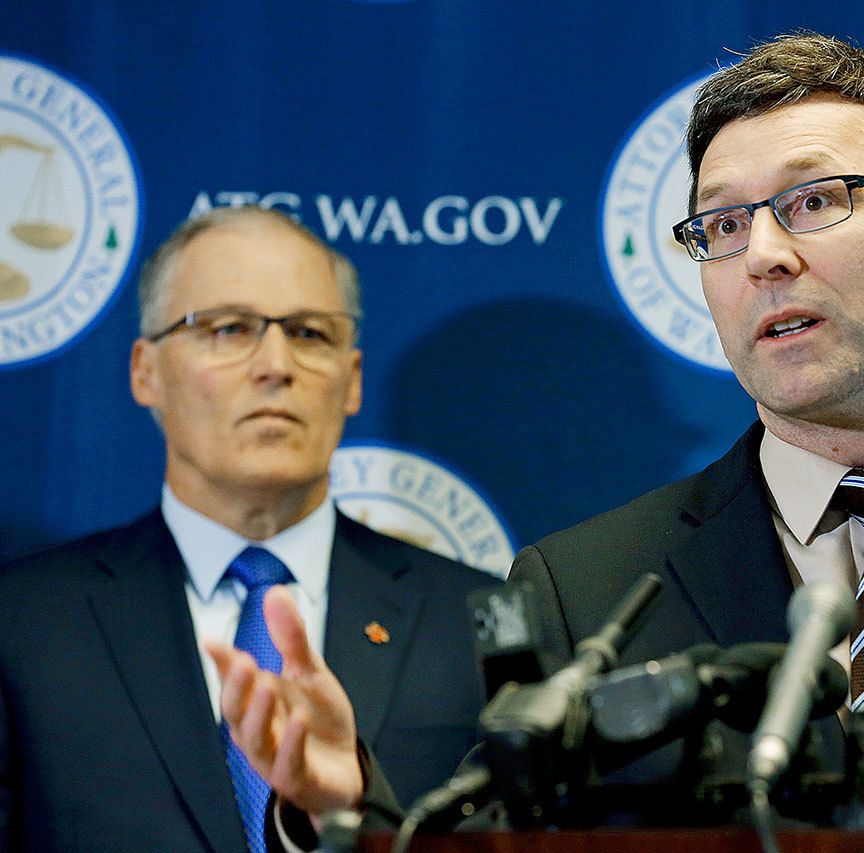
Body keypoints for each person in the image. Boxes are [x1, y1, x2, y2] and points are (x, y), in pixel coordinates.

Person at [229, 32, 864, 837]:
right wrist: (345, 811)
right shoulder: (586, 595)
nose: (760, 254)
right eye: (719, 224)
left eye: (813, 201)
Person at [0, 207, 499, 852]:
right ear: (144, 371)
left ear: (353, 381)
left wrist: (343, 814)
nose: (275, 365)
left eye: (310, 333)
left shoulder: (472, 621)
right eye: (228, 328)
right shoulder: (23, 623)